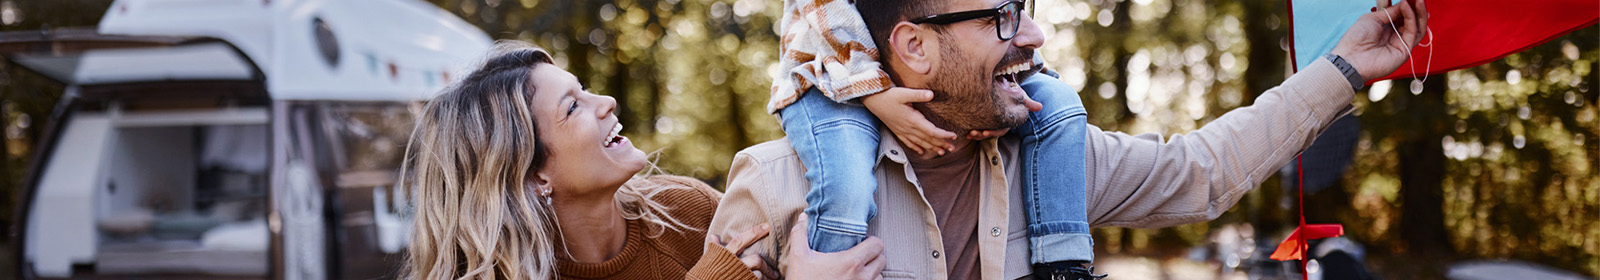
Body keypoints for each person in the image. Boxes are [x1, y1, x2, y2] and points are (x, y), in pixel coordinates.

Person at [708, 0, 1429, 278]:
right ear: (914, 47)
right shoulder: (780, 187)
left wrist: (1344, 70)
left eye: (1025, 9)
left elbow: (1204, 170)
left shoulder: (1049, 158)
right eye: (1001, 18)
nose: (1034, 36)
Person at [400, 42, 885, 279]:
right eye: (573, 107)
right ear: (531, 177)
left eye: (584, 89)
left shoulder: (689, 212)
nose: (606, 100)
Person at [770, 0, 1094, 277]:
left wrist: (991, 96)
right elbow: (827, 14)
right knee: (845, 183)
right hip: (823, 74)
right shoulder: (766, 176)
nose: (1036, 35)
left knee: (1060, 104)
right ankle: (831, 262)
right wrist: (875, 93)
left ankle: (1062, 264)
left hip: (903, 60)